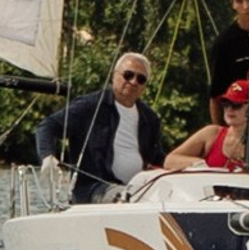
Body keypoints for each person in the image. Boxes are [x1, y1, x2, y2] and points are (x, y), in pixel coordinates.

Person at [36, 53, 169, 204]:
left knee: (171, 196)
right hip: (95, 190)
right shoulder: (90, 106)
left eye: (141, 79)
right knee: (131, 198)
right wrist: (47, 156)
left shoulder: (150, 118)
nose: (133, 82)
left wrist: (187, 165)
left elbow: (156, 156)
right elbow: (48, 126)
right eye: (128, 75)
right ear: (114, 76)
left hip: (139, 188)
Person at [207, 0, 249, 125]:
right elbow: (215, 94)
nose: (246, 6)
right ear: (233, 5)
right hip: (240, 122)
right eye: (239, 1)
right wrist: (219, 134)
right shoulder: (223, 44)